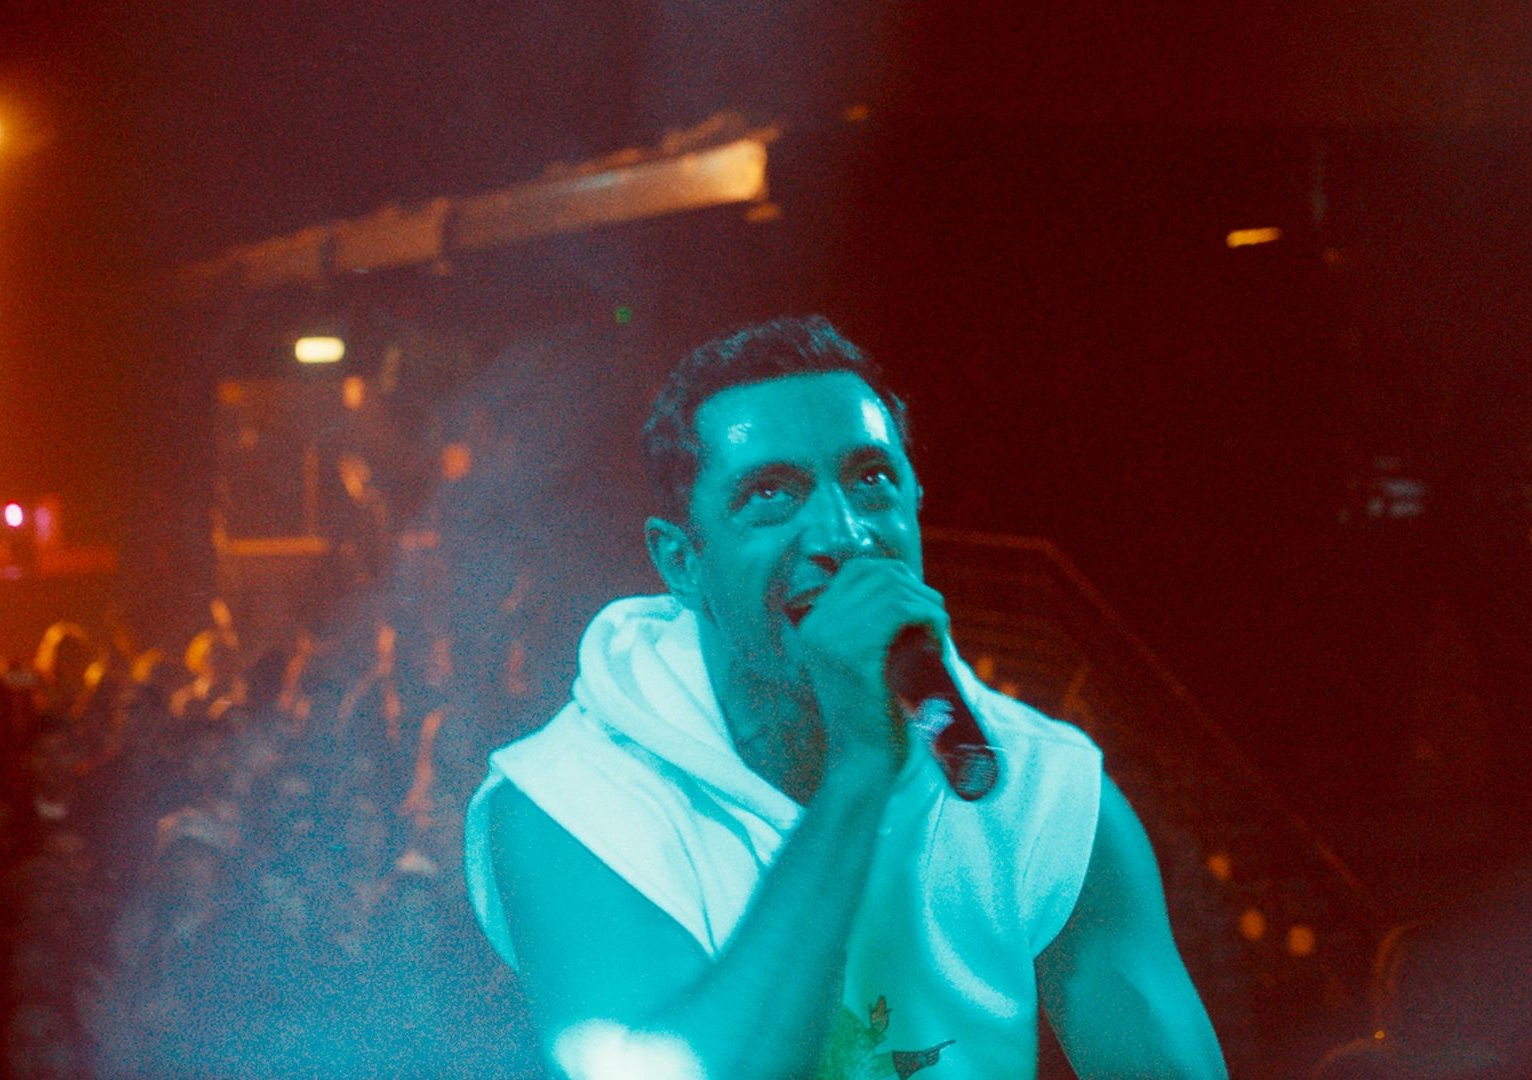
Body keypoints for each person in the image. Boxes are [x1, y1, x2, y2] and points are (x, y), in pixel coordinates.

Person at [463, 316, 1224, 1078]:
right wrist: (859, 768)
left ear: (915, 502)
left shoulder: (1037, 785)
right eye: (770, 494)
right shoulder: (571, 801)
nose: (843, 534)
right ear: (682, 562)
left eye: (871, 480)